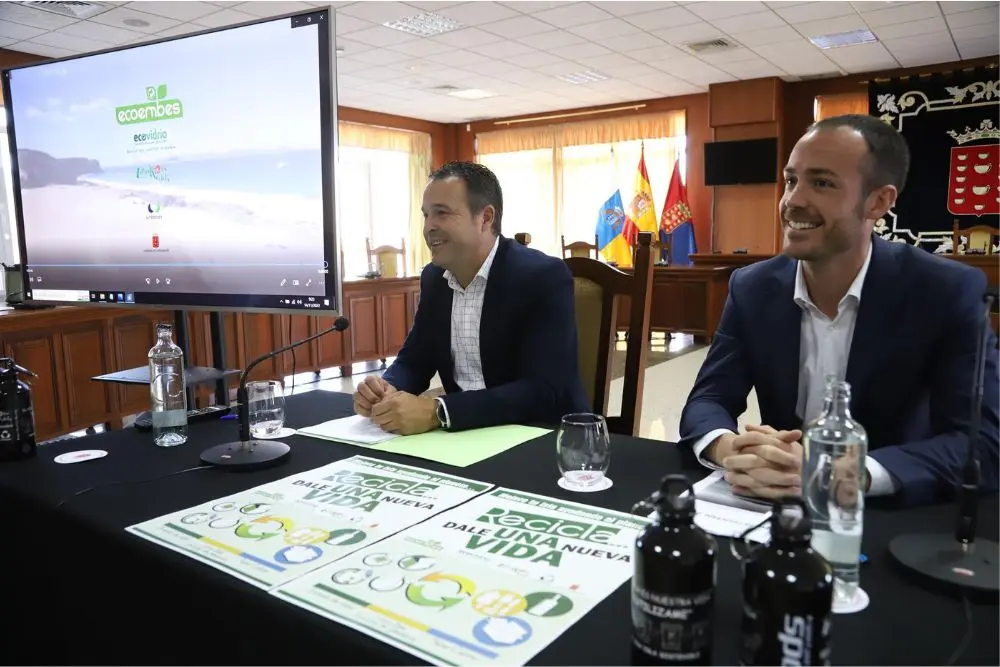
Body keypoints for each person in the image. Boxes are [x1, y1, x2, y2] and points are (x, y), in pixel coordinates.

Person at [679, 114, 999, 507]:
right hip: (773, 514)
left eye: (822, 183)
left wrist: (845, 474)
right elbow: (707, 401)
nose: (793, 200)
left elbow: (981, 443)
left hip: (892, 516)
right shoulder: (752, 287)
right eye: (792, 179)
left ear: (879, 201)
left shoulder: (944, 291)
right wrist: (734, 450)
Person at [353, 161, 588, 435]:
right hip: (464, 437)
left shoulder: (542, 276)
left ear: (486, 218)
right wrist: (386, 387)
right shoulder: (434, 278)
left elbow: (544, 390)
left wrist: (439, 411)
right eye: (426, 215)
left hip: (542, 436)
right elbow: (415, 360)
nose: (429, 227)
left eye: (442, 213)